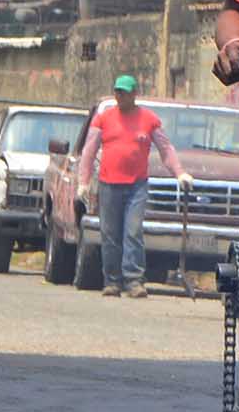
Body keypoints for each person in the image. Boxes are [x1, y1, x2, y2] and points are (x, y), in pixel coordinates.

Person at [73, 76, 186, 297]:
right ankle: (112, 281)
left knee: (132, 232)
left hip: (136, 185)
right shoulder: (103, 119)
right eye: (117, 92)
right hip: (108, 184)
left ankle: (133, 281)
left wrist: (179, 173)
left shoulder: (148, 120)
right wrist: (83, 182)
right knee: (110, 234)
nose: (120, 96)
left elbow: (166, 149)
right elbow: (89, 151)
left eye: (124, 92)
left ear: (135, 94)